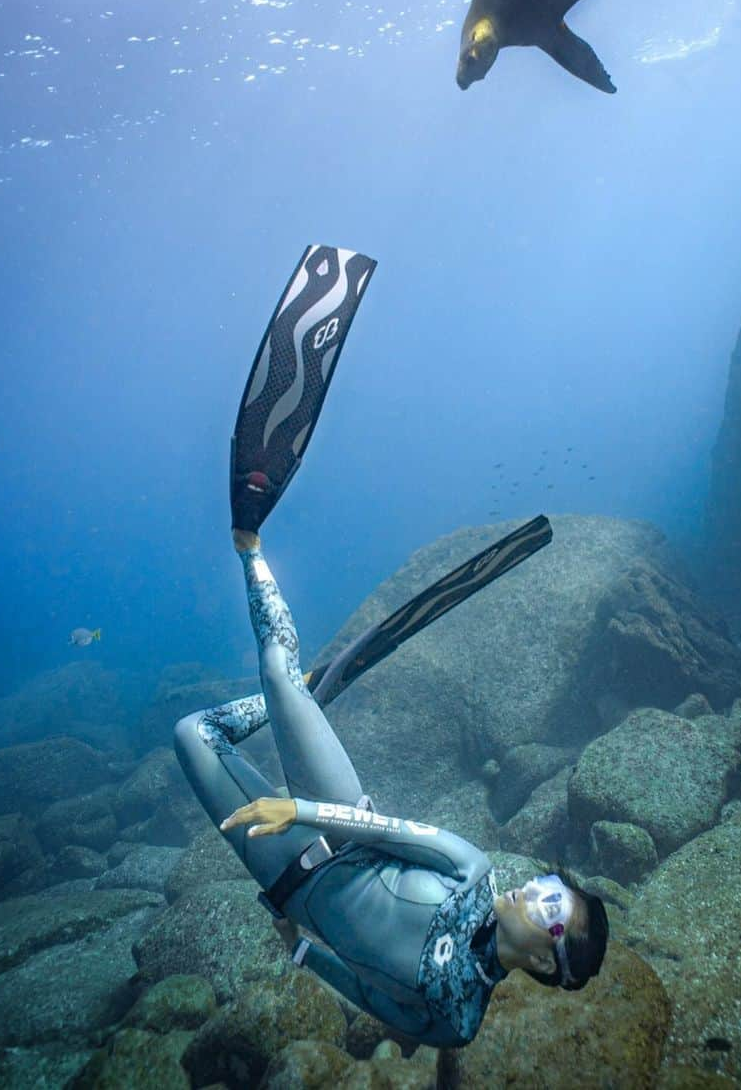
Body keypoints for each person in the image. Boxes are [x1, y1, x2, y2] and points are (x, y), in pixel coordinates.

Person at [173, 244, 609, 1048]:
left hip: (285, 883)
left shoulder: (458, 1021)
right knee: (275, 670)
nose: (537, 888)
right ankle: (251, 554)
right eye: (551, 884)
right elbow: (390, 834)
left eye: (552, 903)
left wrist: (299, 947)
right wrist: (299, 809)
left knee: (190, 735)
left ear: (549, 963)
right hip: (338, 824)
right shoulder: (473, 869)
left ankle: (305, 692)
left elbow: (375, 1000)